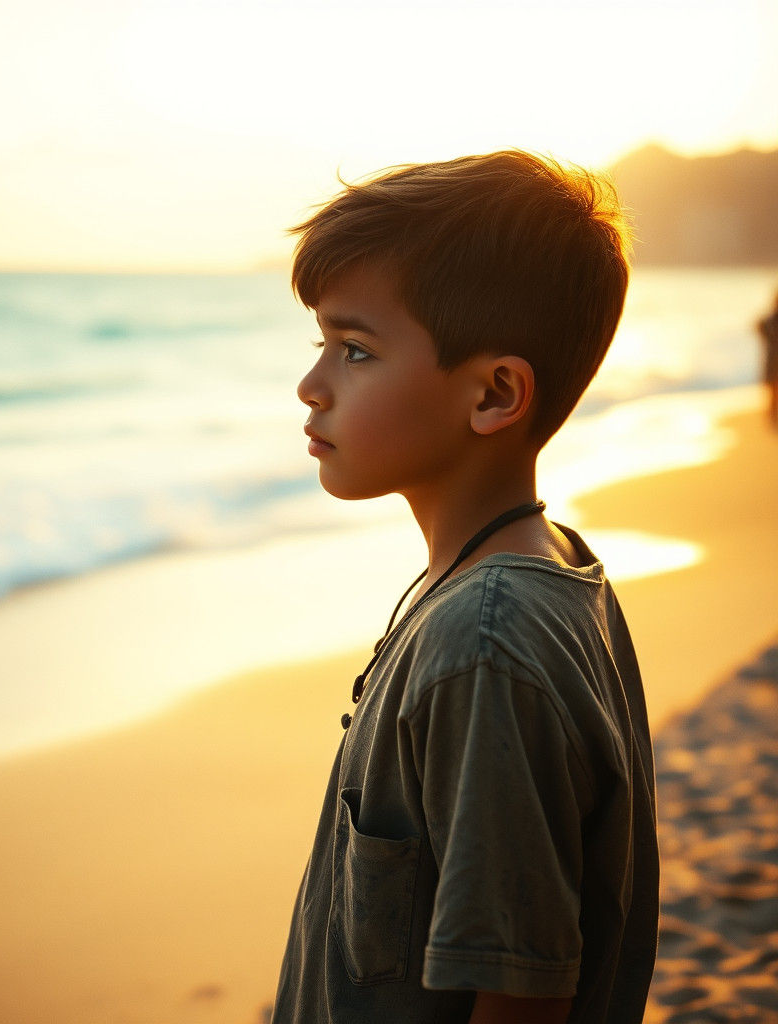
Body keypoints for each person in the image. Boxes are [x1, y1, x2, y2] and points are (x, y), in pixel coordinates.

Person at [271, 152, 659, 1024]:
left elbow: (520, 995)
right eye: (322, 345)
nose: (312, 386)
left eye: (356, 349)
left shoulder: (486, 641)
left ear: (494, 393)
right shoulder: (531, 571)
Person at [758, 290, 778, 428]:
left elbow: (759, 327)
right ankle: (773, 419)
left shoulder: (767, 321)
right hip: (772, 363)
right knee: (773, 393)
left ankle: (773, 419)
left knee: (773, 394)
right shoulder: (769, 321)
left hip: (771, 363)